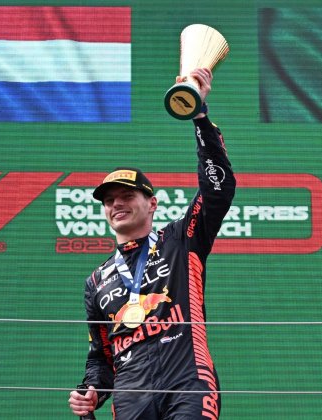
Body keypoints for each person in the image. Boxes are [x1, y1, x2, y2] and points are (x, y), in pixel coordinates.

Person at [68, 68, 235, 419]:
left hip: (188, 382)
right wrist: (90, 392)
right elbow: (101, 357)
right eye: (109, 200)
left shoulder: (181, 239)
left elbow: (218, 190)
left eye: (127, 195)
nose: (117, 204)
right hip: (130, 397)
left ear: (152, 203)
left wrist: (200, 117)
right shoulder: (96, 281)